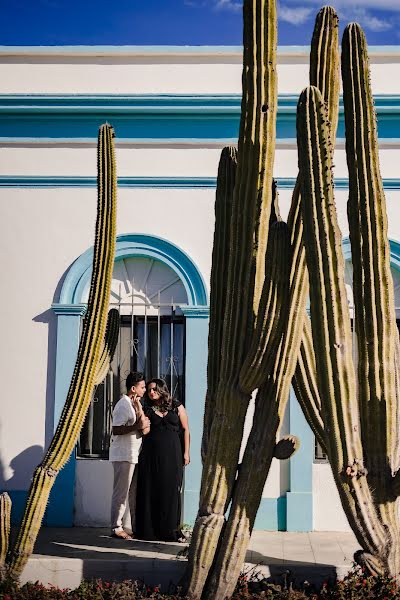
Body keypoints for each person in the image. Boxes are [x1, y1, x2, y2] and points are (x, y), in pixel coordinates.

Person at [136, 378, 190, 541]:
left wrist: (186, 452)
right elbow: (143, 430)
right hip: (151, 454)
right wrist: (139, 407)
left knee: (171, 489)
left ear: (161, 389)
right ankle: (151, 530)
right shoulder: (147, 407)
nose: (151, 392)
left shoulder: (176, 405)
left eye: (154, 389)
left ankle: (170, 530)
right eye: (149, 390)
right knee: (152, 489)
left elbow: (186, 429)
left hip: (173, 453)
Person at [109, 371, 150, 540]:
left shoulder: (134, 404)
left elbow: (144, 428)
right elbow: (116, 429)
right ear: (133, 388)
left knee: (129, 493)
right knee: (121, 493)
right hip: (123, 455)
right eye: (142, 387)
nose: (145, 389)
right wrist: (137, 426)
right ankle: (115, 527)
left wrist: (139, 413)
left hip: (133, 454)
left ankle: (126, 525)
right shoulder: (123, 405)